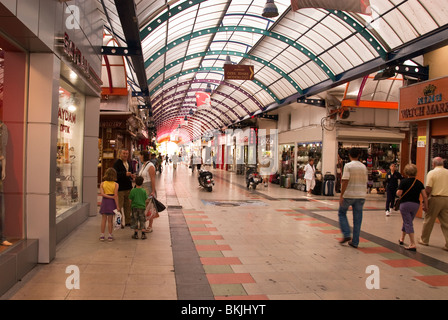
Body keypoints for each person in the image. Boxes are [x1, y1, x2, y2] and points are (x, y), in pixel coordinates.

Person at [338, 148, 367, 248]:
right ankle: (355, 242)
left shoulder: (348, 166)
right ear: (358, 155)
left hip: (349, 195)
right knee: (357, 219)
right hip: (361, 195)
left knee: (342, 213)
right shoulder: (364, 167)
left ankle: (346, 234)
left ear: (349, 155)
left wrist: (341, 195)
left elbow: (345, 180)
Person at [419, 157, 448, 251]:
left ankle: (424, 240)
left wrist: (425, 201)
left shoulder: (432, 173)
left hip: (436, 198)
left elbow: (428, 188)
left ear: (434, 164)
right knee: (446, 223)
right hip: (446, 199)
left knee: (429, 220)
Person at [397, 164, 428, 251]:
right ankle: (402, 238)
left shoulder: (404, 182)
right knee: (408, 220)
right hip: (415, 205)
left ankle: (412, 243)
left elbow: (399, 193)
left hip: (405, 204)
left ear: (406, 172)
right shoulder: (419, 183)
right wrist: (426, 206)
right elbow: (425, 196)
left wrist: (397, 192)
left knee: (408, 223)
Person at [113, 149, 135, 227]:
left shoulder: (129, 162)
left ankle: (128, 221)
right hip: (120, 188)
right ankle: (120, 222)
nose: (125, 155)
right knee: (119, 206)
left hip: (128, 187)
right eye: (124, 153)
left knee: (128, 205)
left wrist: (132, 176)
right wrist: (125, 174)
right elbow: (115, 174)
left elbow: (131, 172)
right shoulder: (117, 163)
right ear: (120, 154)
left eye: (127, 153)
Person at [99, 168, 120, 241]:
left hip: (104, 202)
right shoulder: (116, 184)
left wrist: (109, 196)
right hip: (112, 203)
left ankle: (102, 235)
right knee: (110, 220)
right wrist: (117, 206)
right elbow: (116, 196)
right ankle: (110, 235)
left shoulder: (102, 184)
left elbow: (102, 194)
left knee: (103, 219)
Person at [139, 151, 157, 233]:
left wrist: (153, 190)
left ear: (143, 156)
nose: (139, 157)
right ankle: (143, 223)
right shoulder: (143, 165)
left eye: (140, 155)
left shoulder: (150, 166)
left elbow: (153, 178)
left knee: (149, 206)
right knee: (143, 206)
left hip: (148, 187)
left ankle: (150, 226)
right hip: (142, 188)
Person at [129, 176, 149, 240]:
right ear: (142, 183)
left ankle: (136, 234)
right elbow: (146, 199)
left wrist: (131, 205)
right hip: (142, 208)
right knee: (142, 220)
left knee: (135, 220)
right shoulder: (143, 191)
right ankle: (143, 234)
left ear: (135, 182)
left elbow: (130, 199)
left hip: (134, 207)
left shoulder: (133, 191)